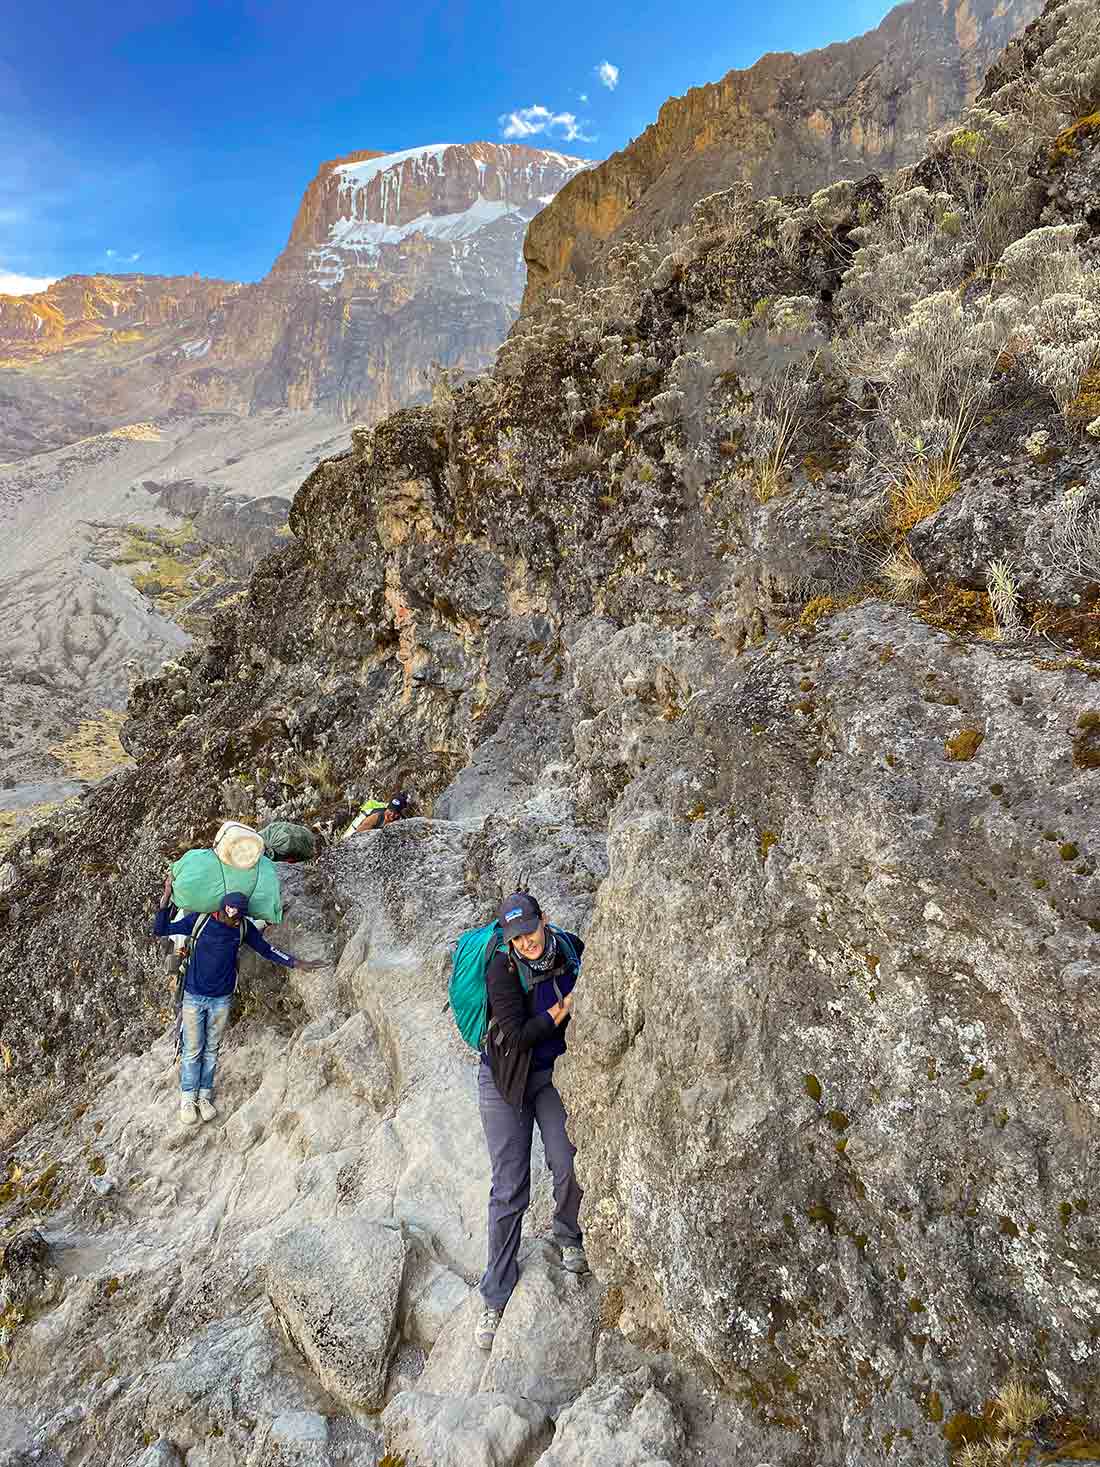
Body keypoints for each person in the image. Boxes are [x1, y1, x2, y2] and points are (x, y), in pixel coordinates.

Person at [475, 891, 588, 1351]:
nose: (526, 942)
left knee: (569, 1163)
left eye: (530, 930)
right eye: (516, 937)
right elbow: (519, 1036)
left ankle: (568, 1234)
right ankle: (495, 1293)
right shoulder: (500, 970)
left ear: (545, 920)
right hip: (505, 1080)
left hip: (553, 1075)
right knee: (509, 1188)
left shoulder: (570, 949)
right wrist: (564, 1008)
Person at [155, 875, 323, 1126]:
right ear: (220, 910)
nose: (231, 922)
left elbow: (266, 949)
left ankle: (204, 1096)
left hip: (221, 1000)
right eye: (227, 916)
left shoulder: (243, 928)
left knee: (211, 1049)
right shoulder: (198, 921)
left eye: (235, 918)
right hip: (193, 996)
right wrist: (167, 896)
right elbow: (162, 929)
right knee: (192, 1050)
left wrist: (297, 963)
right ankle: (187, 1099)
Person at [341, 790, 411, 840]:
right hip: (355, 834)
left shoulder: (401, 821)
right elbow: (356, 836)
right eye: (390, 811)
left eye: (396, 813)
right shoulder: (376, 817)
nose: (392, 815)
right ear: (387, 808)